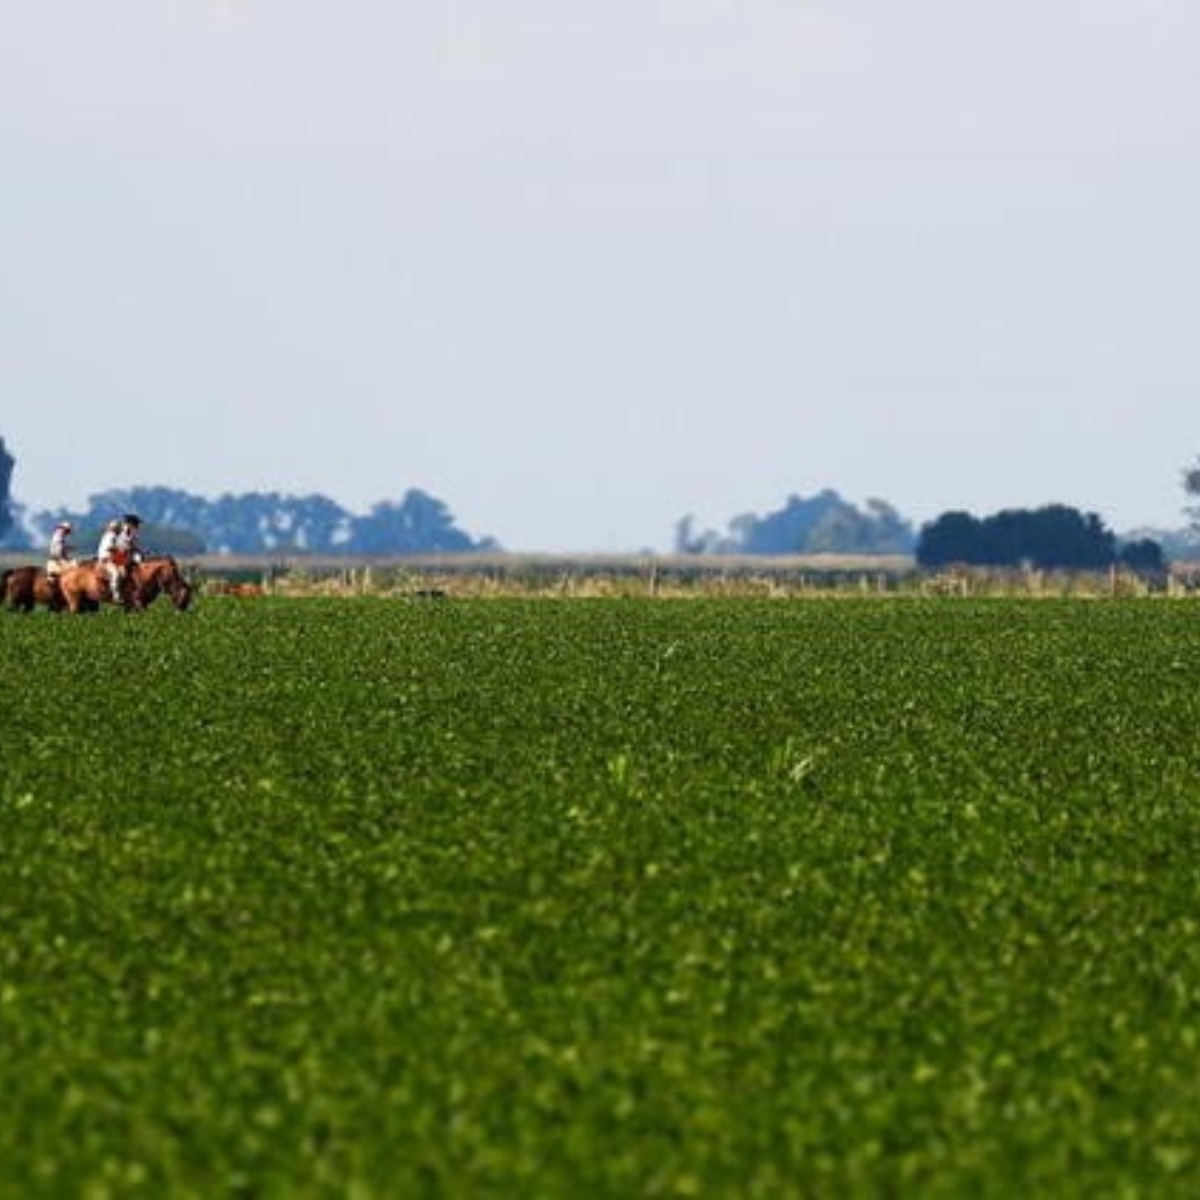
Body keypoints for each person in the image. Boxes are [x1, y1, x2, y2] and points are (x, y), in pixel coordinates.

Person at [96, 519, 126, 603]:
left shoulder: (107, 535)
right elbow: (109, 547)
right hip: (106, 560)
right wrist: (120, 550)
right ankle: (116, 595)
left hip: (105, 558)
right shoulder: (112, 536)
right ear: (115, 529)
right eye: (118, 529)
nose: (119, 530)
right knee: (115, 574)